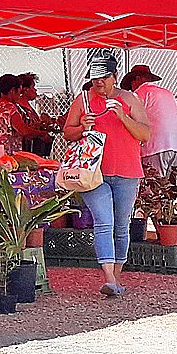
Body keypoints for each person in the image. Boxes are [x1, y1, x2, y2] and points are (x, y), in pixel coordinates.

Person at [61, 55, 152, 299]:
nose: (98, 82)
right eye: (94, 77)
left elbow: (144, 134)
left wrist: (123, 116)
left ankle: (118, 275)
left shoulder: (130, 99)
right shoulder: (83, 100)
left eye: (104, 76)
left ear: (114, 77)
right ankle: (109, 278)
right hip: (92, 174)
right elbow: (67, 133)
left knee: (121, 226)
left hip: (126, 171)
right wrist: (82, 128)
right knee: (103, 221)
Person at [122, 65, 177, 174]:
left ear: (137, 79)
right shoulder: (167, 92)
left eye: (131, 83)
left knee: (154, 186)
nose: (132, 88)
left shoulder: (140, 93)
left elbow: (131, 119)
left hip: (155, 147)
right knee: (173, 187)